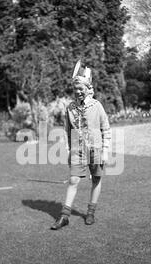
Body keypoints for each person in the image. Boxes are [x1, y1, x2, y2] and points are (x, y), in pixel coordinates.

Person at [51, 60, 111, 230]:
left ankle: (90, 212)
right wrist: (69, 151)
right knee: (73, 180)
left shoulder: (97, 106)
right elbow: (66, 131)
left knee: (97, 179)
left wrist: (105, 151)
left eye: (80, 88)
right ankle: (64, 216)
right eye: (75, 88)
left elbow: (106, 129)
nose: (77, 91)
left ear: (87, 88)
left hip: (96, 149)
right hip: (78, 150)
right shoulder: (69, 108)